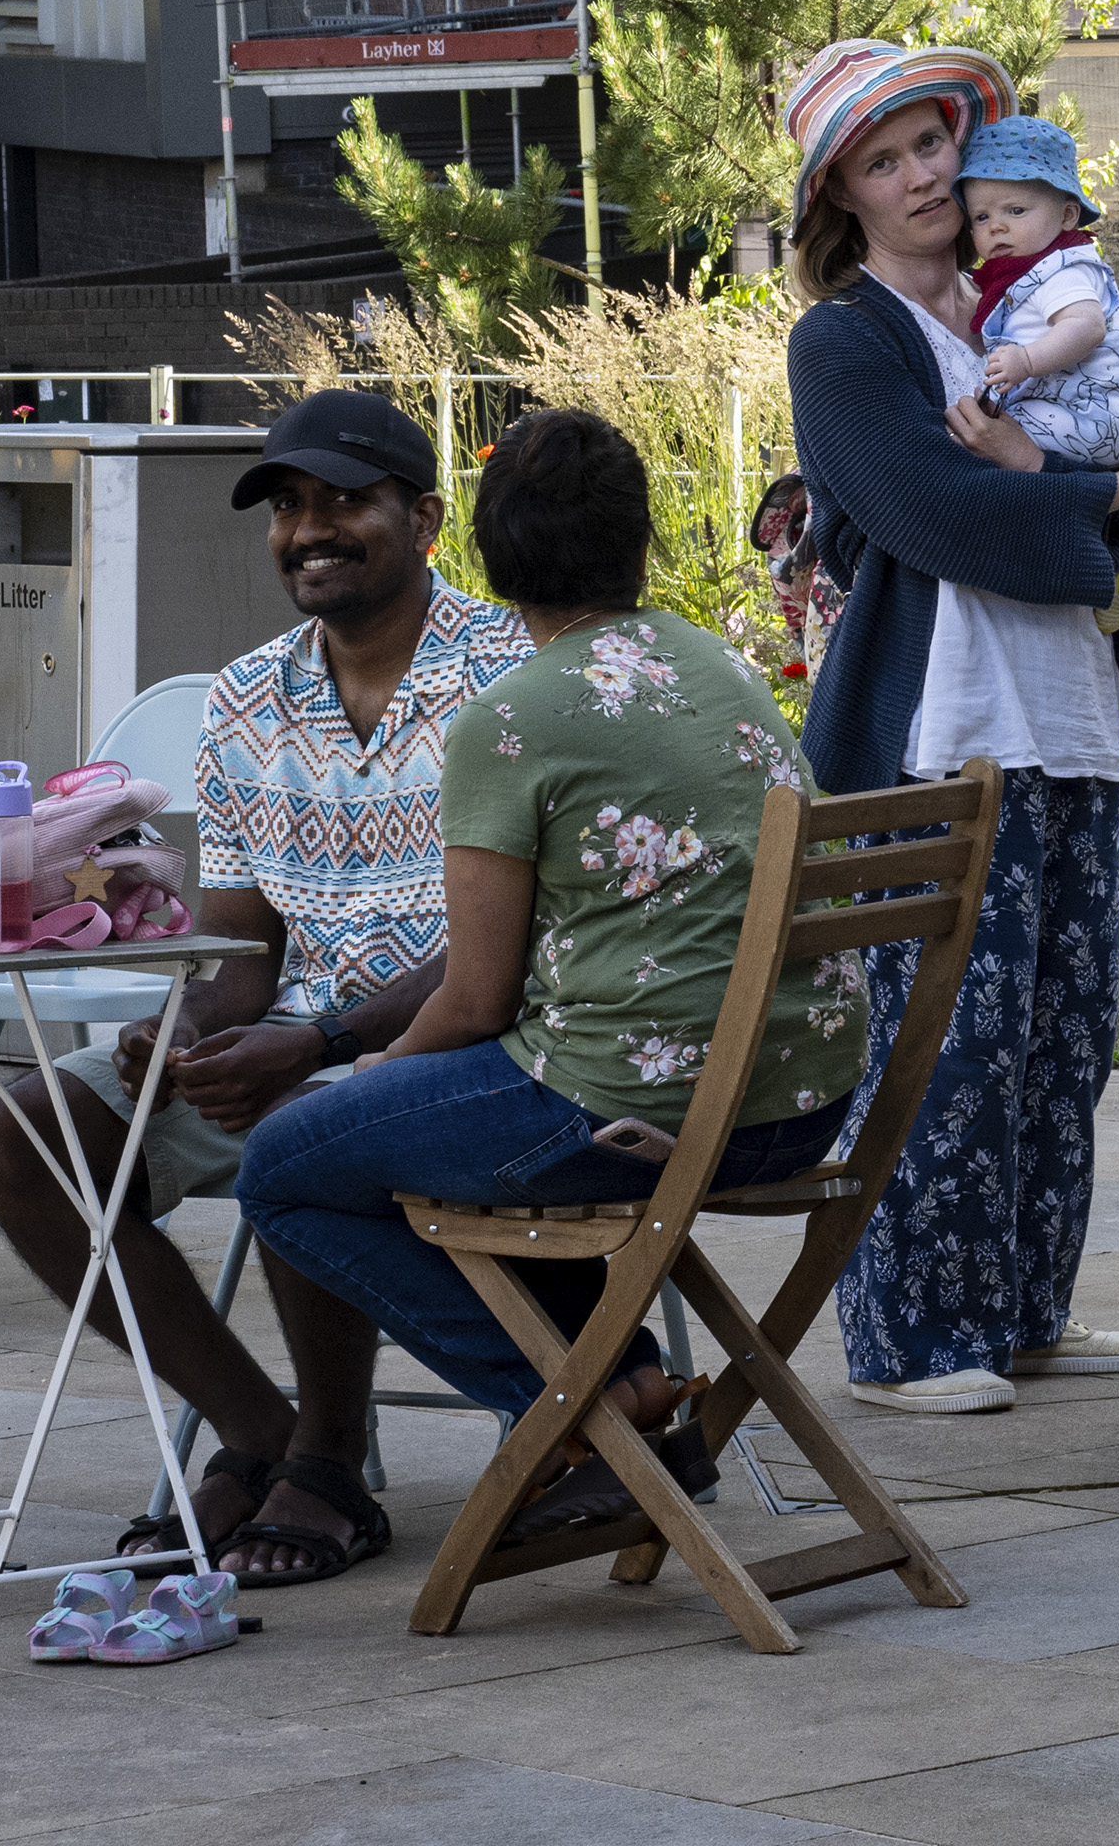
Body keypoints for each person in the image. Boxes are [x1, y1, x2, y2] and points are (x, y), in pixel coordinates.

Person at [236, 410, 869, 1548]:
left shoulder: (512, 718)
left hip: (657, 1118)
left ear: (481, 552)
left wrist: (376, 1065)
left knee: (289, 1163)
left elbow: (475, 1004)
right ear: (637, 541)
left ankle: (583, 1403)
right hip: (801, 1106)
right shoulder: (710, 660)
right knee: (434, 1122)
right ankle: (612, 1391)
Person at [0, 387, 527, 1589]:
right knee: (22, 1137)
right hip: (298, 1042)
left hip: (468, 1053)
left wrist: (307, 1045)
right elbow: (240, 936)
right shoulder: (247, 697)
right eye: (287, 508)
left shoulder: (508, 676)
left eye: (343, 502)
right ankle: (257, 1429)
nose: (309, 530)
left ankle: (329, 1462)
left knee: (294, 1123)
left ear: (424, 519)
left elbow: (512, 950)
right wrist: (190, 1024)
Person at [772, 39, 1119, 1415]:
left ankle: (1021, 1314)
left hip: (1067, 714)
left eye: (931, 142)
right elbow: (934, 515)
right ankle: (910, 1344)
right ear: (846, 199)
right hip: (938, 733)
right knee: (943, 1043)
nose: (923, 175)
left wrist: (1098, 502)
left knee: (1067, 1034)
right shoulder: (847, 341)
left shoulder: (1051, 298)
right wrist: (1100, 535)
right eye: (884, 163)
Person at [956, 113, 1119, 636]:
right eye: (980, 218)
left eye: (1015, 210)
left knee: (978, 453)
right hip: (1087, 413)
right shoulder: (1024, 272)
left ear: (1068, 214)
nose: (995, 226)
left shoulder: (1063, 269)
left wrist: (1024, 361)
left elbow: (1085, 327)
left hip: (1084, 410)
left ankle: (1091, 570)